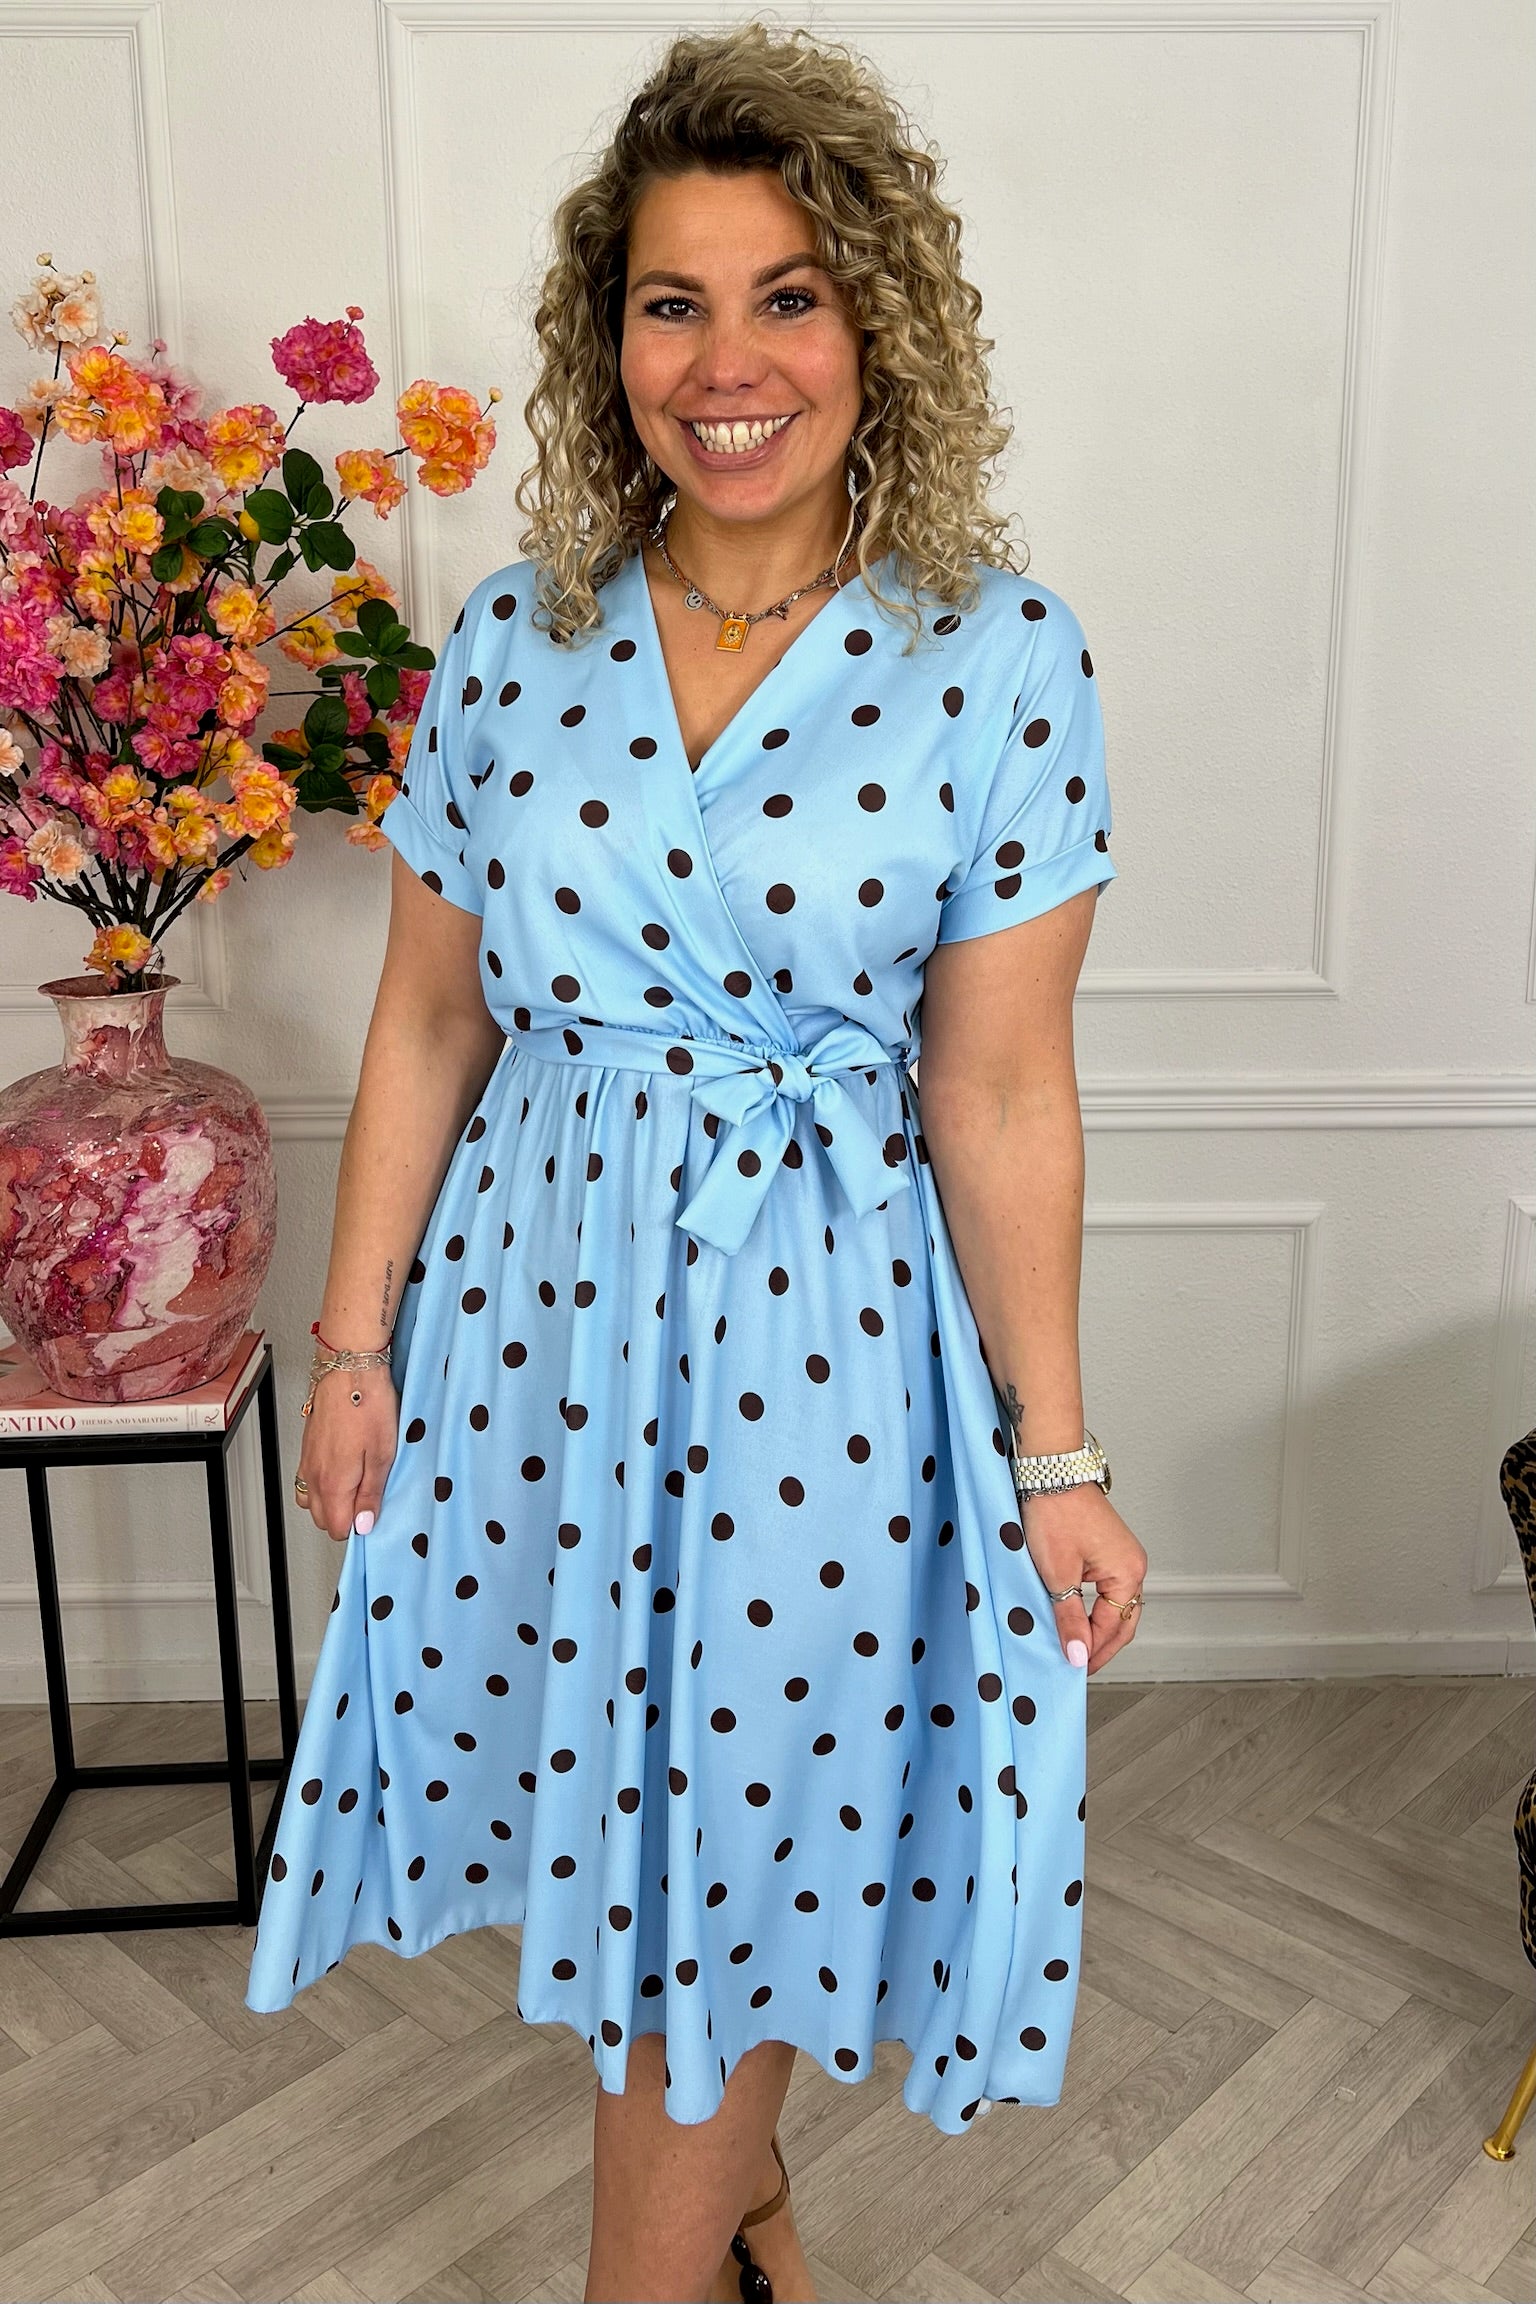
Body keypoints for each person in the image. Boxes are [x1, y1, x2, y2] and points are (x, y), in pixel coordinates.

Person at [244, 21, 1149, 2303]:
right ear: (610, 340)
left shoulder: (999, 658)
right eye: (674, 303)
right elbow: (429, 1015)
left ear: (877, 330)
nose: (727, 363)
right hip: (541, 1322)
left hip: (826, 1343)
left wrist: (1058, 1455)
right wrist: (352, 1346)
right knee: (629, 1836)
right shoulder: (517, 639)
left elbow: (1000, 1093)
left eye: (787, 297)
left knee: (741, 1841)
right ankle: (738, 2203)